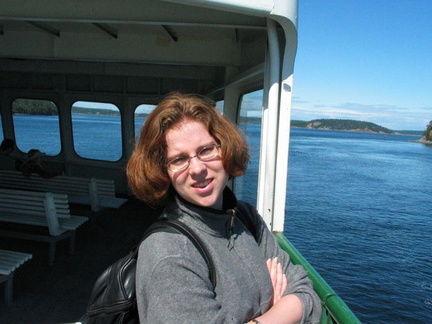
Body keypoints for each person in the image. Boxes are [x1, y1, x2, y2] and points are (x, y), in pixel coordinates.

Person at [127, 92, 321, 324]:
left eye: (206, 150)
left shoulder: (245, 218)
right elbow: (297, 304)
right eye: (179, 159)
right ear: (163, 172)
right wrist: (274, 311)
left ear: (225, 148)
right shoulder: (169, 253)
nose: (197, 168)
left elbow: (306, 293)